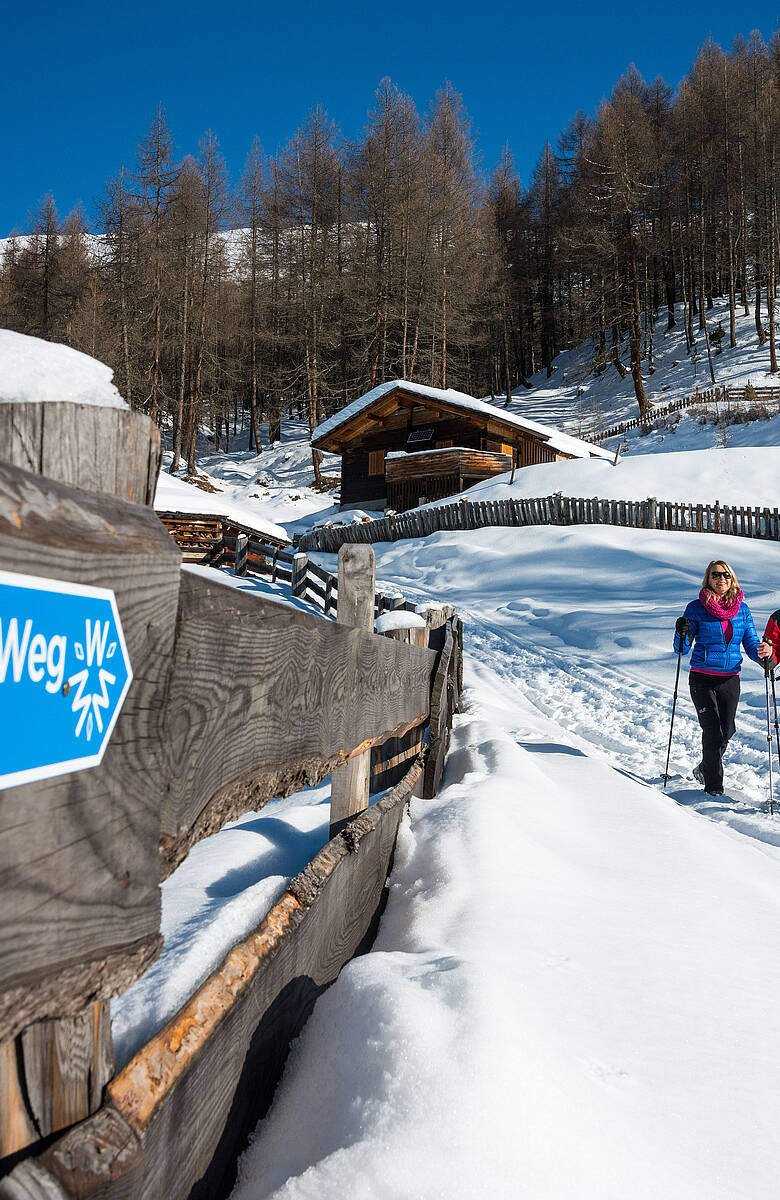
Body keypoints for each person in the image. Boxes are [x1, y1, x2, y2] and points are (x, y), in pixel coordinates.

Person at [674, 559, 771, 795]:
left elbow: (750, 644)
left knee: (727, 731)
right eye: (716, 575)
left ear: (732, 579)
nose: (721, 580)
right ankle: (714, 787)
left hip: (730, 679)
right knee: (713, 732)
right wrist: (681, 632)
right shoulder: (696, 608)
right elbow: (682, 649)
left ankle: (705, 768)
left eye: (726, 575)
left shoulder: (742, 609)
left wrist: (763, 653)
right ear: (708, 578)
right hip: (702, 678)